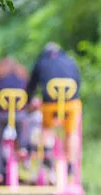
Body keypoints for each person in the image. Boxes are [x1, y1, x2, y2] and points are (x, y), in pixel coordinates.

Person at [26, 42, 83, 181]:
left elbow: (31, 86)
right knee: (72, 133)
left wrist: (30, 101)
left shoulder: (41, 62)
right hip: (71, 103)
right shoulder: (70, 61)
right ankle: (70, 165)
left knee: (46, 129)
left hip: (50, 104)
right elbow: (78, 82)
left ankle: (47, 160)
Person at [0, 57, 30, 185]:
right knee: (21, 129)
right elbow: (28, 94)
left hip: (2, 114)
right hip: (19, 113)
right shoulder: (22, 76)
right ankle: (23, 148)